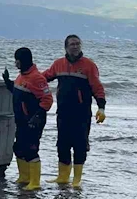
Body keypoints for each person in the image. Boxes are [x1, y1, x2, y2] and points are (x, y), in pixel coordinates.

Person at [42, 35, 106, 188]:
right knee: (62, 144)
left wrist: (101, 107)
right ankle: (63, 177)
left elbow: (97, 87)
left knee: (80, 144)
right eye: (72, 44)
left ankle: (77, 179)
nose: (75, 46)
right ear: (66, 47)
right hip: (63, 111)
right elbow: (43, 77)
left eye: (78, 44)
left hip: (81, 113)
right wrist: (25, 79)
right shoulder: (58, 64)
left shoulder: (89, 65)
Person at [2, 47, 53, 191]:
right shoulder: (22, 76)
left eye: (17, 60)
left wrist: (38, 115)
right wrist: (8, 82)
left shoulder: (37, 78)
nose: (15, 63)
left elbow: (47, 99)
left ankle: (35, 182)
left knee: (31, 150)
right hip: (21, 120)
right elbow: (18, 91)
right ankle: (24, 177)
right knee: (18, 148)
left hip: (33, 121)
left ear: (23, 61)